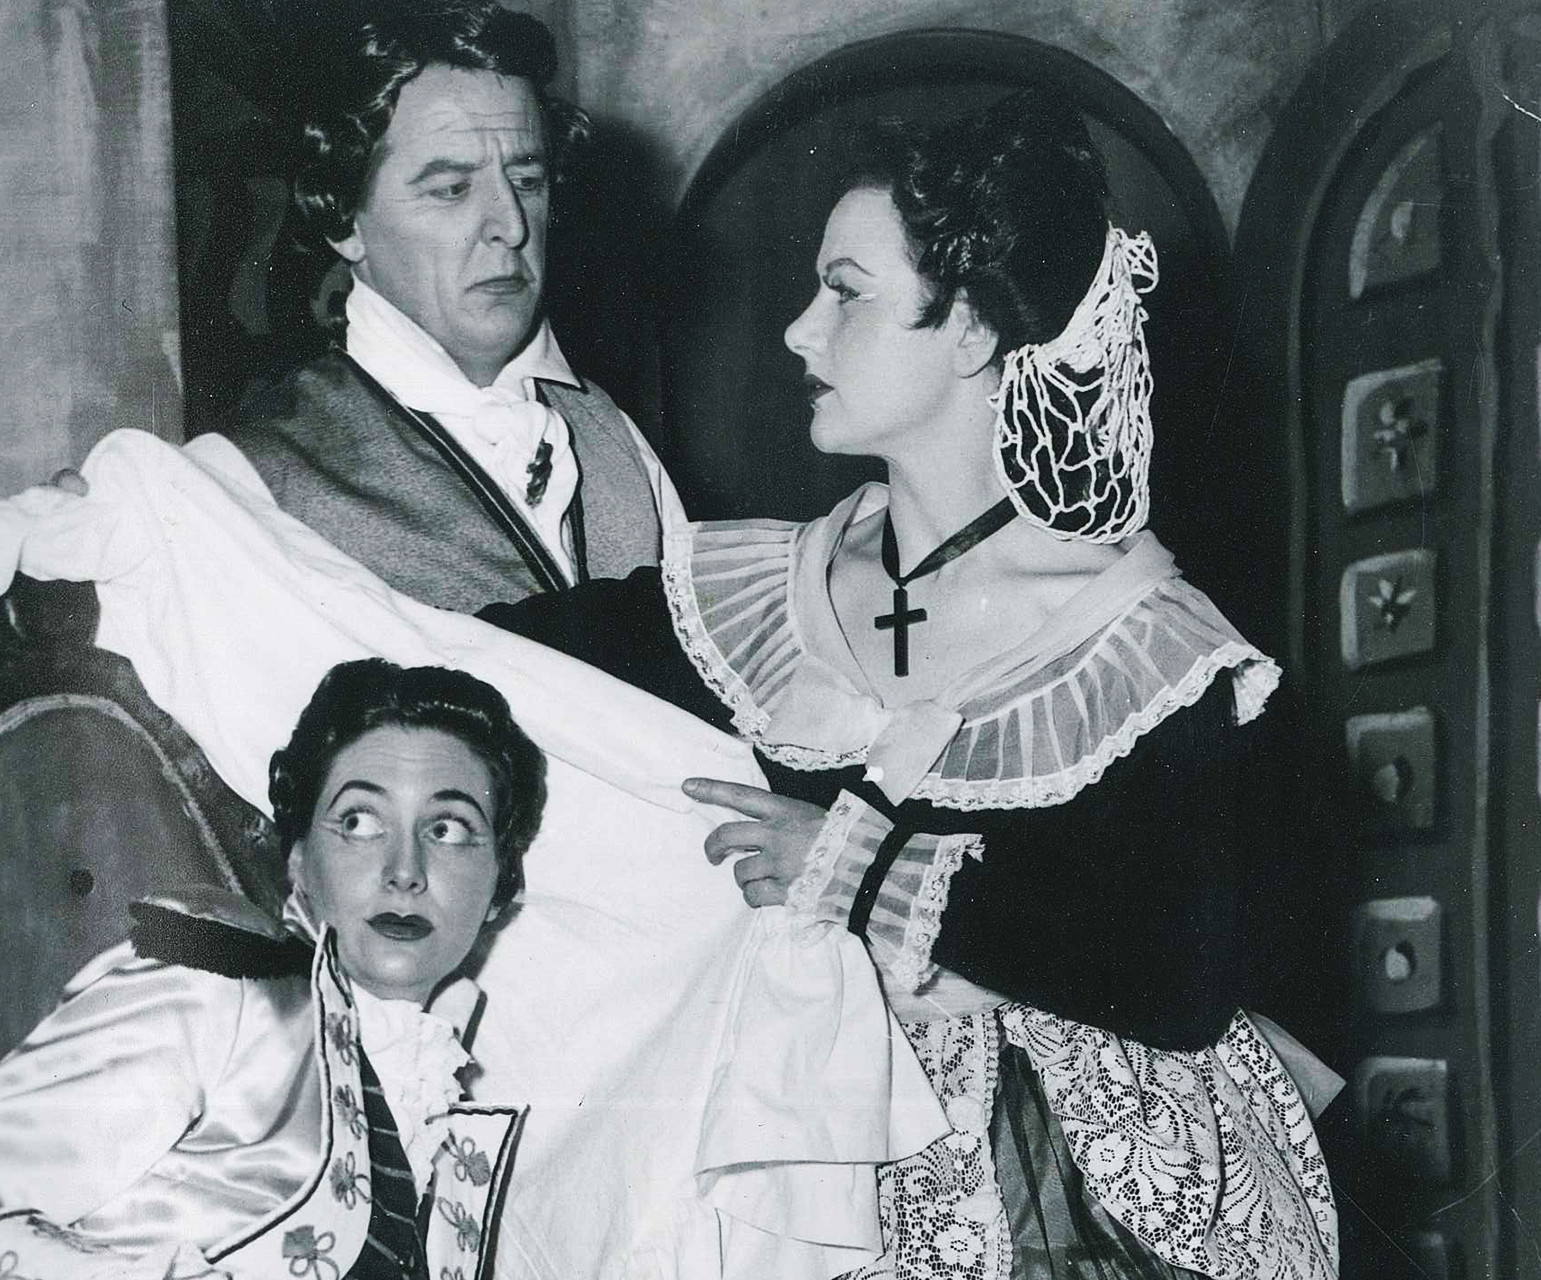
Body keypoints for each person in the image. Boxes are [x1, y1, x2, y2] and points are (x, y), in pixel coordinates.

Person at [474, 91, 1338, 1278]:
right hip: (803, 1174)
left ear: (973, 330)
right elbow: (475, 663)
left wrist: (852, 862)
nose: (799, 332)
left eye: (846, 291)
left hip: (1083, 1204)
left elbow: (1179, 969)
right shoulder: (752, 597)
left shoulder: (1145, 644)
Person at [0, 0, 681, 809]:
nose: (510, 225)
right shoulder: (232, 487)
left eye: (526, 178)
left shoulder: (618, 448)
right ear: (344, 219)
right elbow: (71, 764)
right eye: (450, 188)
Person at [0, 658, 547, 1280]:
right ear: (299, 861)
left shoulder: (443, 1104)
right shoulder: (222, 981)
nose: (404, 872)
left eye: (448, 830)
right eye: (358, 822)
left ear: (499, 889)